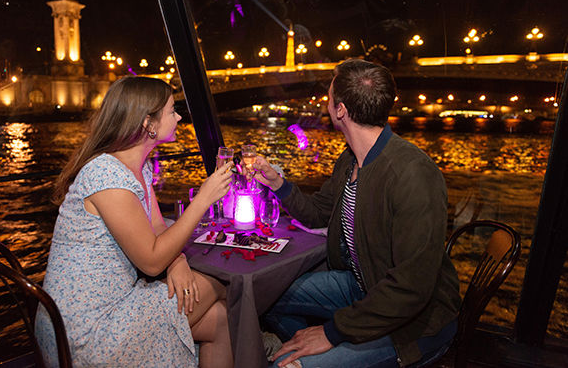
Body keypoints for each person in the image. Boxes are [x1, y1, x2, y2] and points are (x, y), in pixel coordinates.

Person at [251, 59, 461, 368]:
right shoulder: (349, 161)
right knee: (263, 295)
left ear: (340, 110)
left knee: (285, 365)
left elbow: (410, 290)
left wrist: (332, 333)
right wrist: (278, 184)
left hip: (414, 325)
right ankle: (305, 351)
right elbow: (316, 213)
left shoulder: (413, 174)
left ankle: (303, 358)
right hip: (362, 288)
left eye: (330, 93)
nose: (326, 98)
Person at [35, 76, 234, 368]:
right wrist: (203, 199)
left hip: (116, 304)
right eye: (171, 110)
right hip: (84, 331)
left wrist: (178, 261)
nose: (179, 116)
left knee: (222, 320)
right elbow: (152, 262)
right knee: (225, 282)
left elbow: (155, 226)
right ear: (148, 124)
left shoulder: (138, 166)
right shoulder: (106, 176)